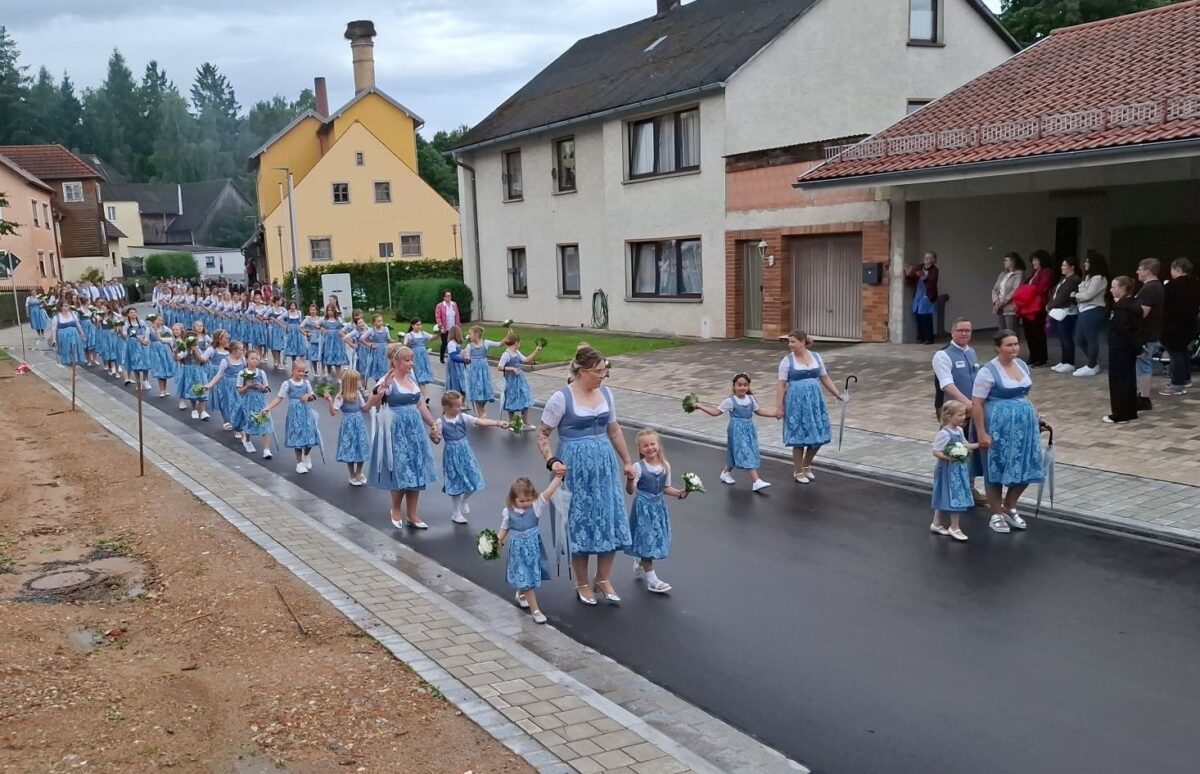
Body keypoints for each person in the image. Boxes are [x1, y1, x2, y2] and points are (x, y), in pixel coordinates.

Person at [536, 345, 634, 606]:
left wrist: (627, 461)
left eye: (605, 371)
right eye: (599, 371)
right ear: (582, 370)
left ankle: (603, 578)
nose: (603, 376)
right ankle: (581, 582)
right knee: (579, 522)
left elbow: (613, 430)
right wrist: (551, 460)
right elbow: (542, 433)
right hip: (574, 468)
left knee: (608, 517)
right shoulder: (561, 398)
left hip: (604, 465)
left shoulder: (607, 395)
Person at [972, 329, 1044, 534]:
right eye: (1008, 345)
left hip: (1024, 424)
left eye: (1015, 344)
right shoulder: (988, 371)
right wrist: (981, 433)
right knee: (995, 467)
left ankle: (1009, 505)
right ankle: (995, 513)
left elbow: (1025, 396)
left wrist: (1037, 416)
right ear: (998, 347)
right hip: (998, 425)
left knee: (1027, 464)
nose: (1014, 348)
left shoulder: (1022, 365)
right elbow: (977, 403)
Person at [365, 346, 441, 529]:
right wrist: (383, 387)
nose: (411, 363)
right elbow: (370, 404)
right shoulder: (387, 380)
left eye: (411, 359)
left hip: (414, 431)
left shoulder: (412, 380)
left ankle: (413, 514)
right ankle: (396, 509)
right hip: (396, 430)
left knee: (415, 471)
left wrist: (433, 424)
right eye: (407, 360)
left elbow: (420, 405)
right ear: (395, 362)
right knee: (400, 469)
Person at [775, 330, 847, 484]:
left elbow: (824, 377)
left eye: (793, 341)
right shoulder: (787, 361)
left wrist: (838, 394)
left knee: (819, 433)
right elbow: (781, 385)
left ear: (802, 342)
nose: (790, 345)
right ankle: (798, 470)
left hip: (814, 399)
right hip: (796, 400)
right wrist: (779, 407)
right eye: (789, 342)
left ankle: (806, 465)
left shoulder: (816, 357)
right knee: (799, 436)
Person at [626, 429, 688, 594]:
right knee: (647, 539)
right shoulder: (638, 467)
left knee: (655, 539)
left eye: (653, 444)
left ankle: (641, 558)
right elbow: (631, 491)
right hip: (643, 508)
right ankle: (652, 580)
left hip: (658, 507)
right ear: (640, 449)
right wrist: (630, 480)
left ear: (659, 446)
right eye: (645, 445)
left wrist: (680, 493)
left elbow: (666, 487)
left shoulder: (665, 466)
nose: (650, 448)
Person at [433, 390, 508, 524]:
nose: (460, 408)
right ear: (447, 407)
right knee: (455, 483)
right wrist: (434, 436)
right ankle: (456, 513)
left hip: (465, 452)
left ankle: (465, 499)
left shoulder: (463, 417)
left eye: (460, 405)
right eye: (457, 406)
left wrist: (497, 423)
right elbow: (437, 439)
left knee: (474, 477)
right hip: (451, 455)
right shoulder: (440, 422)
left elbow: (480, 421)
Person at [498, 474, 563, 625]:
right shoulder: (508, 512)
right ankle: (536, 610)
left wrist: (559, 477)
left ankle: (521, 594)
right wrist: (497, 541)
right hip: (517, 551)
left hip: (532, 549)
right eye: (521, 501)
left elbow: (549, 491)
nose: (526, 503)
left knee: (529, 576)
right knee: (526, 578)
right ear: (513, 499)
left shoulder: (536, 506)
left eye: (528, 500)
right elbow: (504, 528)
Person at [690, 373, 773, 491]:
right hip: (736, 430)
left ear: (748, 386)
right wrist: (700, 406)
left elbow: (759, 411)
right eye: (739, 385)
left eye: (745, 385)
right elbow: (716, 412)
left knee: (738, 451)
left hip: (749, 429)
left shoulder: (751, 399)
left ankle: (725, 473)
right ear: (734, 386)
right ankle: (756, 481)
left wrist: (774, 414)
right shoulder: (730, 400)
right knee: (745, 452)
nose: (742, 387)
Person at [931, 318, 983, 501]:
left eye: (967, 330)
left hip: (971, 409)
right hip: (952, 410)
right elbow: (946, 384)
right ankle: (946, 487)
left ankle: (968, 487)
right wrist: (965, 403)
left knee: (967, 448)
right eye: (960, 330)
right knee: (950, 449)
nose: (964, 334)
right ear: (952, 332)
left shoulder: (972, 353)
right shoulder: (943, 355)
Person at [930, 400, 978, 542]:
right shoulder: (944, 433)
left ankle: (936, 523)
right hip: (947, 469)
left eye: (964, 414)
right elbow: (936, 451)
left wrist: (979, 445)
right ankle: (954, 527)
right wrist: (950, 457)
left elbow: (965, 444)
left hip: (958, 468)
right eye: (960, 415)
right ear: (949, 416)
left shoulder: (959, 431)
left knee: (945, 493)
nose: (963, 417)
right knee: (953, 494)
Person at [263, 358, 320, 474]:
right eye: (299, 371)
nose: (302, 373)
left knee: (310, 434)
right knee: (298, 437)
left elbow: (313, 396)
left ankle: (306, 455)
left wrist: (308, 397)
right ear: (293, 370)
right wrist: (268, 407)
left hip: (306, 411)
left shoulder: (306, 383)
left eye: (303, 371)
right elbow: (279, 398)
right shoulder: (287, 384)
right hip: (295, 413)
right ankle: (299, 463)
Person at [1104, 276, 1142, 424]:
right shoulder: (1134, 304)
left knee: (1118, 381)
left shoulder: (1120, 307)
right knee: (1129, 379)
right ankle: (1130, 410)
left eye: (1114, 287)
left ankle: (1120, 413)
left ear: (1123, 289)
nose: (1111, 290)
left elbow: (1121, 329)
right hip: (1130, 348)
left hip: (1119, 348)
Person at [1159, 258, 1200, 396]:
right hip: (1190, 324)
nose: (1170, 272)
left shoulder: (1172, 286)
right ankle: (1186, 379)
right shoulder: (1196, 284)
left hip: (1173, 325)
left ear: (1178, 269)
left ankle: (1177, 385)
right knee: (1183, 352)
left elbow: (1163, 304)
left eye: (1171, 269)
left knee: (1175, 354)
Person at [328, 368, 370, 485]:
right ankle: (351, 474)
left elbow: (365, 409)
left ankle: (359, 472)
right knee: (350, 448)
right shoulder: (341, 397)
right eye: (358, 380)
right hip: (348, 425)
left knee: (362, 446)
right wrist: (330, 402)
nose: (360, 382)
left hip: (359, 423)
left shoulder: (358, 395)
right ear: (351, 382)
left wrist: (371, 399)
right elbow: (333, 413)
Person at [1013, 250, 1055, 367]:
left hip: (1038, 307)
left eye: (1036, 260)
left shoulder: (1046, 272)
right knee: (1029, 333)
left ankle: (1041, 358)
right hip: (1028, 307)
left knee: (1038, 333)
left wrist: (1028, 290)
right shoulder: (1034, 273)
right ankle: (1033, 356)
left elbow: (1041, 288)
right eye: (1033, 260)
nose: (1034, 262)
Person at [1133, 258, 1165, 410]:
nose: (1137, 272)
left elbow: (1142, 313)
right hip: (1150, 332)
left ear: (1148, 270)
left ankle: (1144, 397)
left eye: (1140, 269)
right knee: (1143, 365)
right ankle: (1142, 394)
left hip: (1146, 333)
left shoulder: (1150, 289)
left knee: (1144, 365)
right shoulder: (1156, 287)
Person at [1071, 253, 1110, 377]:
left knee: (1090, 338)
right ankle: (1092, 362)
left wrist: (1075, 295)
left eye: (1088, 262)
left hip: (1093, 310)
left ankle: (1092, 365)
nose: (1085, 264)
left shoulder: (1099, 278)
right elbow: (1083, 294)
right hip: (1083, 310)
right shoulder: (1087, 277)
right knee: (1079, 338)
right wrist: (1079, 296)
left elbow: (1088, 295)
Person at [498, 332, 542, 426]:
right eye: (519, 342)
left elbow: (526, 360)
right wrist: (512, 368)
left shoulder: (516, 352)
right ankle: (511, 422)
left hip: (520, 380)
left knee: (524, 398)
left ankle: (525, 421)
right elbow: (500, 367)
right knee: (511, 399)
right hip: (511, 381)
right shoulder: (506, 354)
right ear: (516, 342)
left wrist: (536, 351)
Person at [235, 350, 274, 457]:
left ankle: (266, 449)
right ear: (247, 359)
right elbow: (239, 390)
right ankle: (247, 440)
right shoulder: (242, 373)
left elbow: (266, 388)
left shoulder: (261, 373)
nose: (255, 361)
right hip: (248, 401)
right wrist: (247, 386)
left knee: (264, 422)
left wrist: (261, 387)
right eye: (252, 358)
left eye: (256, 358)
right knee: (249, 420)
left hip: (260, 401)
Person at [1048, 256, 1082, 373]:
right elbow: (1056, 293)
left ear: (1072, 267)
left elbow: (1064, 296)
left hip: (1068, 312)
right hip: (1060, 311)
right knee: (1062, 337)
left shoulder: (1074, 279)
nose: (1062, 268)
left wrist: (1050, 305)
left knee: (1066, 337)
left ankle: (1069, 362)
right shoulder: (1064, 279)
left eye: (1064, 265)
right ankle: (1064, 360)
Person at [465, 325, 503, 417]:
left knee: (485, 392)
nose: (469, 336)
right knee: (477, 392)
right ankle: (481, 414)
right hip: (474, 372)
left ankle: (481, 408)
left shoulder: (486, 343)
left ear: (477, 334)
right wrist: (466, 358)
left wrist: (508, 337)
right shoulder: (469, 346)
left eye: (470, 334)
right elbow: (467, 359)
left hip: (484, 372)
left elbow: (500, 344)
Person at [906, 252, 940, 344]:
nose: (926, 259)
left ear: (933, 260)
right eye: (925, 257)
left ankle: (929, 338)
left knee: (926, 317)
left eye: (929, 257)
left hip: (928, 295)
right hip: (918, 294)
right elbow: (912, 279)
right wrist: (908, 274)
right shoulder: (920, 267)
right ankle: (920, 337)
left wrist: (924, 277)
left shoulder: (934, 270)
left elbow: (932, 281)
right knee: (918, 316)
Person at [991, 253, 1025, 332]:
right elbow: (994, 289)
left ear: (1013, 261)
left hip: (1011, 308)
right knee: (1002, 332)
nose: (1004, 262)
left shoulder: (1019, 274)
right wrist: (996, 301)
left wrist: (1003, 302)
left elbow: (1016, 290)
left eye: (1006, 260)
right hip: (999, 307)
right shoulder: (1002, 274)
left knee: (1011, 332)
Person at [402, 317, 434, 396]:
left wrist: (439, 332)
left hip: (423, 358)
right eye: (417, 325)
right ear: (412, 325)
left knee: (422, 376)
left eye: (420, 324)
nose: (419, 326)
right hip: (415, 358)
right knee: (417, 376)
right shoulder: (409, 335)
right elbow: (404, 346)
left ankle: (423, 396)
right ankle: (423, 396)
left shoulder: (423, 333)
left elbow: (432, 337)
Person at [50, 300, 86, 367]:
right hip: (63, 337)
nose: (67, 307)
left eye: (68, 305)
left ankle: (74, 368)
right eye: (65, 306)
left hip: (74, 336)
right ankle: (71, 370)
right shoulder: (56, 317)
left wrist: (82, 334)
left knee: (74, 351)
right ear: (61, 307)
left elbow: (78, 325)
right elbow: (54, 329)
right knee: (66, 352)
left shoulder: (73, 315)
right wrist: (54, 339)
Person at [435, 290, 460, 364]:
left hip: (453, 327)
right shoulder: (440, 305)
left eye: (450, 296)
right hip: (445, 328)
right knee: (444, 343)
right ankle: (442, 358)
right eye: (447, 296)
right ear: (444, 297)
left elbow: (457, 315)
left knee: (455, 342)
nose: (449, 297)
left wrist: (458, 326)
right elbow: (438, 316)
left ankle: (454, 356)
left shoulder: (454, 304)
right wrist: (441, 326)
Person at [444, 325, 468, 395]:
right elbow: (453, 356)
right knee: (455, 378)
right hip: (454, 364)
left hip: (458, 363)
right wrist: (464, 360)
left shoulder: (456, 343)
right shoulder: (451, 343)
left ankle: (459, 392)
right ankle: (454, 392)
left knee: (460, 377)